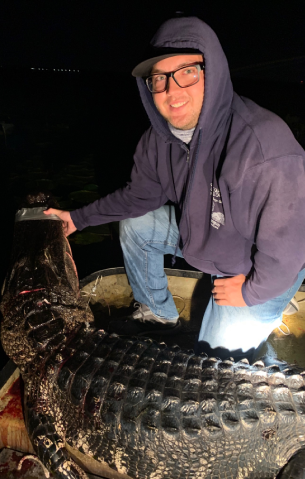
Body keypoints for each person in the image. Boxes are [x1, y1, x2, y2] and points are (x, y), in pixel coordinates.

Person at [44, 16, 305, 361]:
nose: (171, 91)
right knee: (138, 224)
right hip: (209, 240)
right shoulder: (159, 140)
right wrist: (77, 219)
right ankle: (158, 315)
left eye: (187, 72)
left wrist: (253, 290)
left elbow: (290, 248)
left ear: (213, 73)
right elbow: (138, 196)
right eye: (159, 79)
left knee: (210, 366)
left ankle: (268, 322)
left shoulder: (263, 148)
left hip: (261, 268)